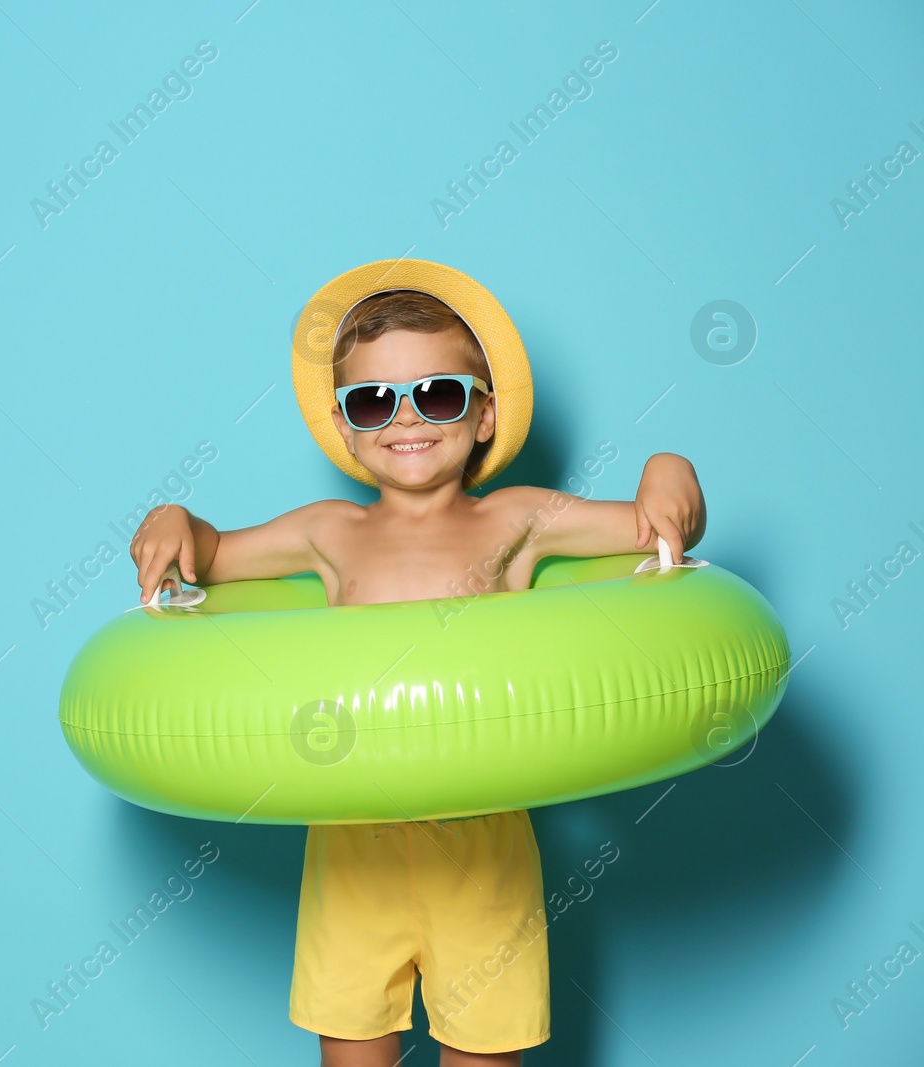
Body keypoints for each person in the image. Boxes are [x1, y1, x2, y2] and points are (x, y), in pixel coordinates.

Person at [128, 262, 705, 1066]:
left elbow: (656, 526)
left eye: (437, 394)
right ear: (344, 425)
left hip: (483, 851)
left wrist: (668, 469)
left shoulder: (520, 520)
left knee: (485, 1050)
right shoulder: (328, 533)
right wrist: (172, 516)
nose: (408, 420)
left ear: (484, 413)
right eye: (374, 401)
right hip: (352, 845)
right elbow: (214, 552)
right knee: (353, 1047)